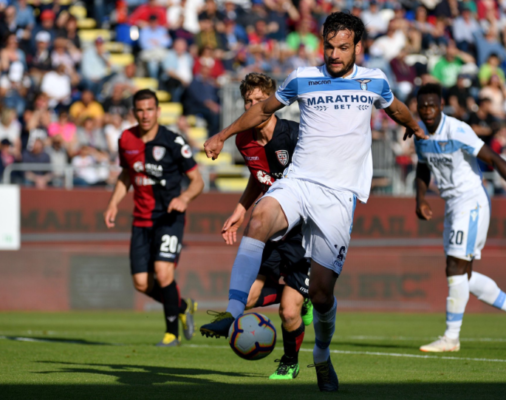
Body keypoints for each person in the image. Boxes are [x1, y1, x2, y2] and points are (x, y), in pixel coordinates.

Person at [200, 12, 426, 392]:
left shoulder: (374, 80)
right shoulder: (302, 77)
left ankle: (321, 355)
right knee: (260, 217)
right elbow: (262, 110)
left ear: (358, 47)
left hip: (338, 196)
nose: (334, 54)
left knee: (321, 295)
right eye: (329, 46)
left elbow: (395, 107)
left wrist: (414, 125)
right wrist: (222, 135)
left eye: (343, 47)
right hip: (299, 181)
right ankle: (234, 312)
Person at [203, 72, 313, 380]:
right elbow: (259, 176)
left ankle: (290, 361)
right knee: (248, 299)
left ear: (272, 102)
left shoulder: (294, 135)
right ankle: (295, 293)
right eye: (248, 101)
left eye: (259, 100)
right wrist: (240, 209)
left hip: (304, 232)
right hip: (272, 229)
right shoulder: (243, 140)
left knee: (288, 312)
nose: (253, 106)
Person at [104, 89, 204, 347]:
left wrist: (184, 198)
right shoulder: (126, 139)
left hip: (169, 218)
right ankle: (183, 306)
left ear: (158, 111)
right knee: (141, 283)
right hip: (141, 220)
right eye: (140, 110)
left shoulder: (173, 141)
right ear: (133, 113)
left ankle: (172, 334)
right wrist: (113, 203)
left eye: (150, 109)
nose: (145, 115)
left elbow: (197, 181)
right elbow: (126, 175)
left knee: (163, 271)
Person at [414, 83, 506, 352]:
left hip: (471, 201)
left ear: (441, 106)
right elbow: (423, 167)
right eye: (423, 106)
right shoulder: (420, 135)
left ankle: (451, 338)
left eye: (432, 105)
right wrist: (420, 199)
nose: (428, 110)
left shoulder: (458, 130)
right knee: (462, 275)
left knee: (454, 267)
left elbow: (493, 158)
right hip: (452, 205)